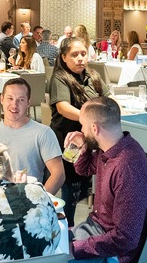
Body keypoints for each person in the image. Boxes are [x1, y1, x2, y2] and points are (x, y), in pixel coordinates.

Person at [65, 97, 147, 263]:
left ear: (95, 128)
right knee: (45, 244)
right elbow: (84, 169)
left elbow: (125, 240)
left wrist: (75, 249)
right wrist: (80, 147)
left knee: (49, 255)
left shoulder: (128, 169)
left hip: (113, 250)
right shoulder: (109, 148)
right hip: (96, 230)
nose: (81, 131)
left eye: (83, 126)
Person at [0, 78, 65, 194]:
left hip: (26, 198)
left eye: (21, 100)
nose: (14, 105)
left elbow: (58, 174)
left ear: (28, 103)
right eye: (10, 98)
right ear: (1, 99)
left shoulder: (43, 133)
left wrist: (41, 199)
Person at [49, 37, 109, 226]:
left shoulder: (93, 75)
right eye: (74, 55)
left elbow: (108, 98)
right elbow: (63, 107)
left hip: (92, 138)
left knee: (85, 186)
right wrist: (89, 118)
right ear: (64, 57)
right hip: (68, 139)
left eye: (83, 53)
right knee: (71, 186)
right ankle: (67, 227)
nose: (80, 58)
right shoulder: (60, 77)